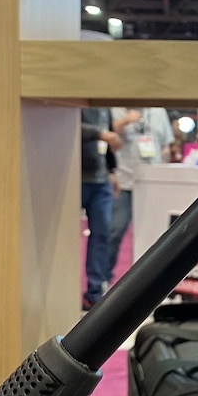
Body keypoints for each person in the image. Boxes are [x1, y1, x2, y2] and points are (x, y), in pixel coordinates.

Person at [105, 107, 173, 285]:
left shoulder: (158, 112)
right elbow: (106, 137)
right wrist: (124, 121)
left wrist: (163, 166)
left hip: (152, 182)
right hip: (123, 180)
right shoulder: (115, 109)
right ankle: (105, 277)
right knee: (115, 230)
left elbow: (166, 145)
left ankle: (150, 279)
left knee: (153, 233)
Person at [81, 108, 121, 310]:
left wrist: (111, 171)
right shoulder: (76, 100)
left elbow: (109, 137)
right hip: (74, 176)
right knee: (62, 237)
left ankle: (95, 293)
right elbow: (68, 127)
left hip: (101, 179)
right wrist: (100, 134)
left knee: (102, 234)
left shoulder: (105, 108)